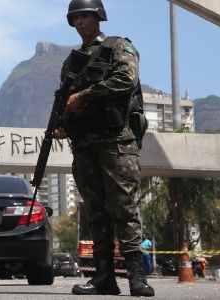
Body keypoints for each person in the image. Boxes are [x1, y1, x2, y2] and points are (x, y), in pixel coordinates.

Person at [53, 0, 154, 297]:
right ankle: (104, 278)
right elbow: (65, 100)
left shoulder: (119, 46)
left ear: (98, 18)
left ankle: (137, 277)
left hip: (116, 141)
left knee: (123, 207)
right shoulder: (72, 61)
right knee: (96, 213)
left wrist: (83, 97)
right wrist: (62, 123)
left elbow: (126, 79)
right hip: (85, 144)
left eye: (85, 16)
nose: (80, 21)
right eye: (75, 17)